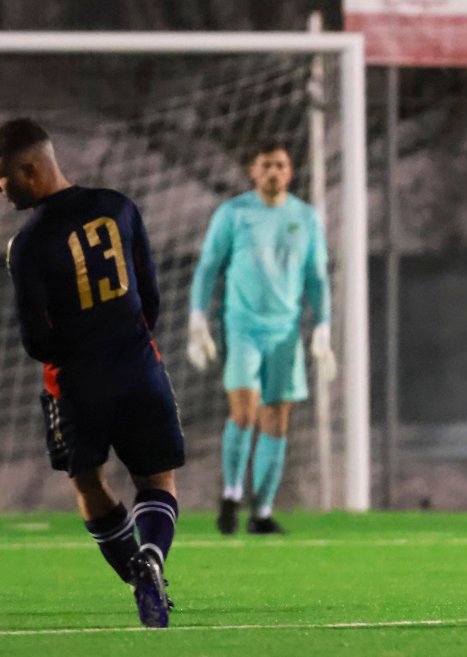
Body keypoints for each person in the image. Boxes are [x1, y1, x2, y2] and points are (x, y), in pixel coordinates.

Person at [0, 118, 183, 628]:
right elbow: (151, 295)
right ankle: (154, 559)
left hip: (77, 384)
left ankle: (138, 579)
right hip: (141, 367)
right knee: (157, 478)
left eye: (0, 175)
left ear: (30, 170)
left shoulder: (28, 244)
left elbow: (35, 340)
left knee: (89, 484)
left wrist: (77, 352)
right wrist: (126, 340)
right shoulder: (120, 207)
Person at [187, 141, 336, 536]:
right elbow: (208, 266)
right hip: (243, 327)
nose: (273, 171)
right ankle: (232, 493)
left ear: (290, 173)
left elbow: (317, 276)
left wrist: (323, 325)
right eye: (266, 164)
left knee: (277, 418)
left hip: (285, 331)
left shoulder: (305, 217)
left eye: (281, 165)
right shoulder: (234, 214)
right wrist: (197, 318)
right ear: (253, 171)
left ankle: (263, 512)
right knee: (244, 411)